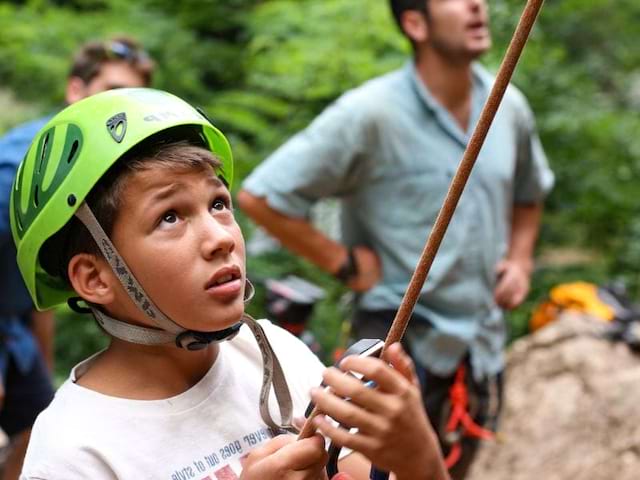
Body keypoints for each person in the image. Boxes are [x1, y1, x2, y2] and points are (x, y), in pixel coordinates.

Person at [13, 88, 448, 480]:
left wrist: (419, 460)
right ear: (95, 277)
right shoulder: (73, 455)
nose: (221, 237)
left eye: (219, 203)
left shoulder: (275, 356)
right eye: (170, 217)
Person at [237, 0, 554, 477]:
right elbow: (262, 196)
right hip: (400, 340)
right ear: (414, 22)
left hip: (480, 338)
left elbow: (529, 194)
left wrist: (521, 259)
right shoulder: (371, 114)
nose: (477, 5)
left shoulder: (508, 105)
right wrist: (342, 263)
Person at [0, 36, 153, 479]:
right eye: (110, 91)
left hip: (15, 331)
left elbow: (41, 275)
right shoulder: (22, 166)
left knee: (38, 430)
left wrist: (45, 371)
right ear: (74, 91)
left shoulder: (100, 169)